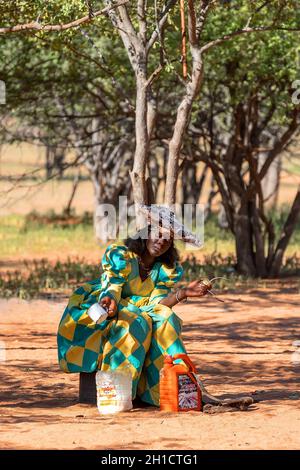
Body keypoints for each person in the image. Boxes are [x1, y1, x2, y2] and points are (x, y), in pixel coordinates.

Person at [57, 208, 209, 407]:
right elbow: (112, 286)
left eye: (168, 239)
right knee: (136, 322)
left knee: (167, 319)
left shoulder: (166, 269)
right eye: (158, 234)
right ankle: (118, 393)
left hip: (141, 311)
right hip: (106, 305)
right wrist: (109, 299)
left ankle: (173, 389)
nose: (162, 241)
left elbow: (158, 305)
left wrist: (184, 293)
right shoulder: (122, 256)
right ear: (145, 233)